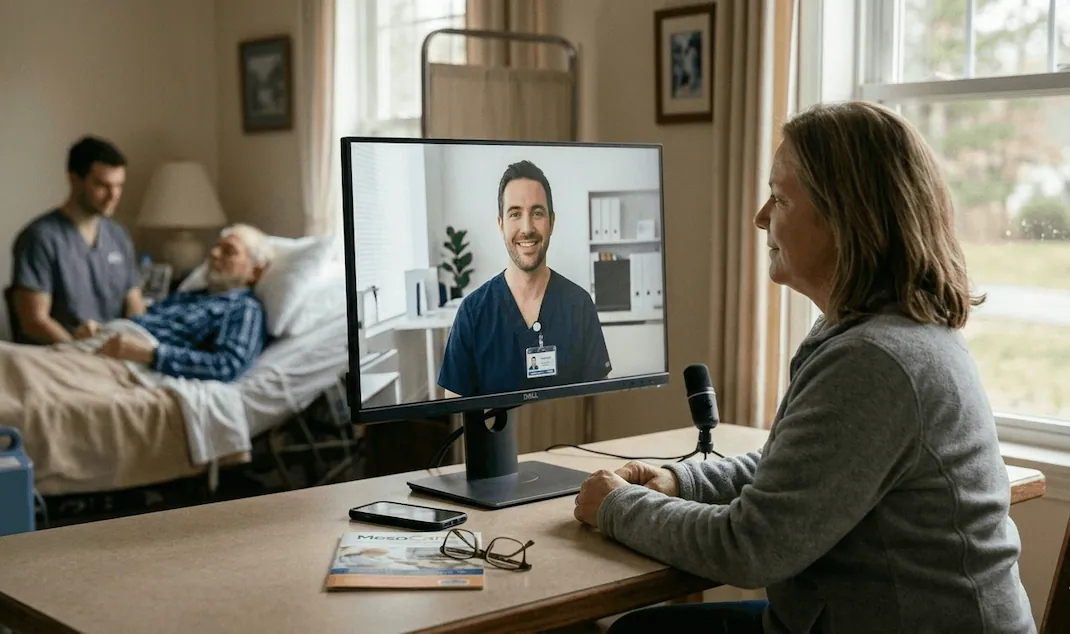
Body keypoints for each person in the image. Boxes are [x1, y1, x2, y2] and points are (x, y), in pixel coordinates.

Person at [573, 101, 1036, 633]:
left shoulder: (875, 362)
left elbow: (749, 546)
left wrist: (617, 506)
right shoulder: (873, 326)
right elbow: (790, 470)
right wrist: (681, 481)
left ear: (847, 218)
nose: (761, 217)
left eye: (781, 198)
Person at [437, 160, 612, 397]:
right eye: (515, 214)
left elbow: (597, 404)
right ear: (500, 225)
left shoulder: (579, 304)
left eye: (537, 213)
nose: (527, 227)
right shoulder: (473, 312)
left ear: (552, 222)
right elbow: (456, 410)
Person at [91, 223, 274, 383]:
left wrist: (150, 353)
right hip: (106, 347)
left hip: (134, 368)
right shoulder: (188, 296)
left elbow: (227, 365)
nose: (214, 253)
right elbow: (145, 319)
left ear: (255, 272)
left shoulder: (243, 309)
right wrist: (100, 330)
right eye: (216, 246)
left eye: (229, 251)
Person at [9, 135, 145, 345]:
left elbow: (135, 304)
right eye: (103, 185)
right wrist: (80, 349)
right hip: (62, 355)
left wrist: (133, 343)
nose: (113, 195)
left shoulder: (118, 236)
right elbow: (34, 321)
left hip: (113, 355)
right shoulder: (40, 238)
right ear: (74, 180)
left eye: (119, 186)